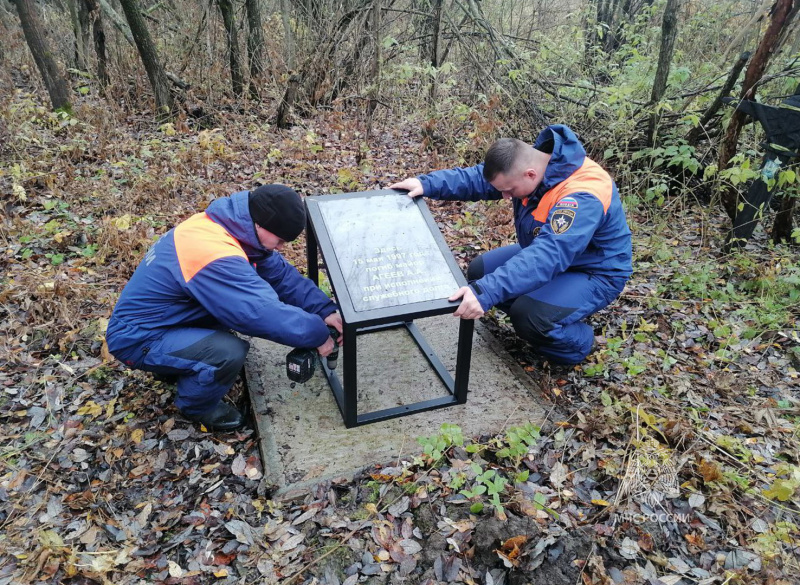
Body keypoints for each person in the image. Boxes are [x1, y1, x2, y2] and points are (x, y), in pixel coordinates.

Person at [106, 184, 342, 431]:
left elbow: (282, 277)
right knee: (228, 352)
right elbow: (259, 313)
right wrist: (318, 334)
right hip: (138, 337)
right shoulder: (213, 252)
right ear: (261, 224)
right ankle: (196, 406)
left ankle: (174, 364)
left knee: (225, 325)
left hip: (168, 318)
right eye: (281, 240)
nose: (282, 247)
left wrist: (323, 310)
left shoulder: (228, 227)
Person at [390, 124, 632, 365]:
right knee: (480, 271)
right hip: (554, 255)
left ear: (530, 175)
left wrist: (486, 293)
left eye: (509, 191)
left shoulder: (582, 195)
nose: (505, 196)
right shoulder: (533, 166)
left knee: (529, 317)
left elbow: (548, 256)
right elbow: (481, 179)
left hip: (595, 270)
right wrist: (426, 184)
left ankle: (578, 343)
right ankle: (550, 306)